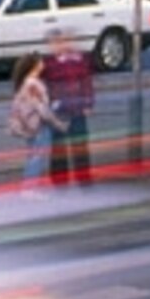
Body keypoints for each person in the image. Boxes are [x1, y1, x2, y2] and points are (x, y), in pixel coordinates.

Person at [44, 38, 96, 187]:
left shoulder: (78, 61)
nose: (57, 46)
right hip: (59, 111)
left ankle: (82, 178)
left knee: (78, 146)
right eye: (54, 44)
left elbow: (86, 83)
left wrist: (88, 103)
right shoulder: (50, 63)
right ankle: (60, 180)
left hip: (76, 109)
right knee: (59, 148)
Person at [7, 56, 56, 186]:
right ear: (34, 66)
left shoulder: (25, 82)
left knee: (33, 155)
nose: (43, 62)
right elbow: (40, 107)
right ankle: (30, 187)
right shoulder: (33, 84)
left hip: (29, 125)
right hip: (38, 125)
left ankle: (30, 186)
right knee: (37, 158)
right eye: (39, 61)